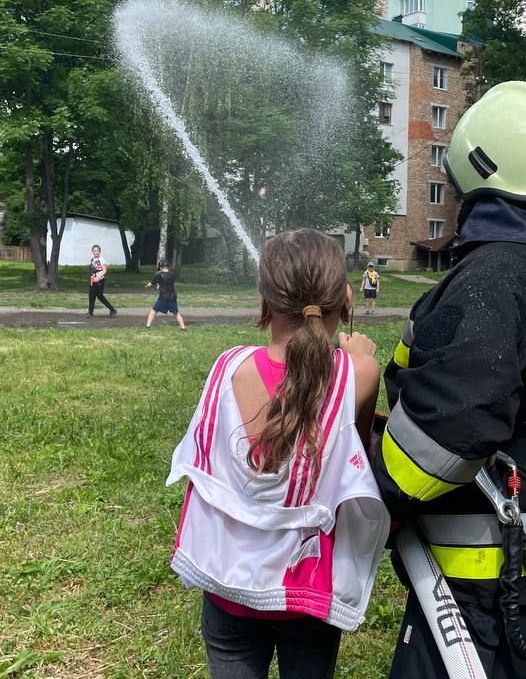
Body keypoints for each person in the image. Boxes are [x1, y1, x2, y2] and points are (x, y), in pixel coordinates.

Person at [371, 82, 526, 678]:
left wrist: (376, 486)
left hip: (488, 563)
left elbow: (453, 425)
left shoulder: (499, 275)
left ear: (480, 172)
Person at [166, 229, 390, 679]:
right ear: (345, 298)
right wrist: (358, 352)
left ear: (265, 301)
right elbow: (357, 454)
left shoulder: (226, 366)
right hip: (305, 598)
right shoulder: (359, 373)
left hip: (227, 588)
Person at [145, 260, 186, 330]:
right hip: (172, 296)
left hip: (163, 297)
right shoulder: (173, 274)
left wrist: (147, 286)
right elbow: (167, 283)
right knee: (176, 313)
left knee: (153, 310)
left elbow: (151, 283)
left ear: (160, 267)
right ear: (168, 267)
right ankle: (183, 327)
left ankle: (148, 326)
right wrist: (160, 286)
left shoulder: (158, 274)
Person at [87, 244, 116, 318]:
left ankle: (112, 310)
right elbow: (93, 270)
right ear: (92, 252)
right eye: (94, 251)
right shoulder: (93, 259)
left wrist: (98, 278)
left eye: (97, 251)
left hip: (99, 281)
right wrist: (92, 278)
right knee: (91, 295)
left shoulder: (101, 259)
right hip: (93, 280)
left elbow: (104, 270)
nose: (96, 252)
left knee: (99, 296)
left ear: (99, 252)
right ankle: (90, 312)